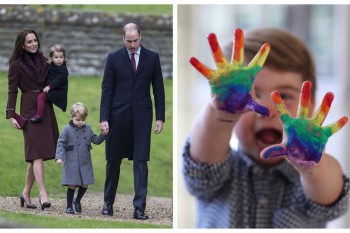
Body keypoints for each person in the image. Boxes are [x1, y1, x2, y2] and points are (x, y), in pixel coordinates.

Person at [182, 27, 350, 228]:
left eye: (285, 96)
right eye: (250, 94)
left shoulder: (313, 179)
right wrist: (221, 114)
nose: (268, 110)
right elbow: (202, 161)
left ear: (311, 105)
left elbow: (330, 198)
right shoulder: (219, 171)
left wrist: (313, 168)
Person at [99, 23, 165, 220]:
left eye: (135, 40)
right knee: (113, 161)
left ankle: (139, 208)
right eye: (129, 41)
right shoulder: (113, 58)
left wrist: (160, 117)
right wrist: (104, 119)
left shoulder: (153, 58)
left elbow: (159, 89)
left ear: (140, 37)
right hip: (117, 117)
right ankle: (107, 203)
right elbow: (107, 90)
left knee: (141, 162)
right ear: (123, 39)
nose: (133, 44)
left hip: (142, 118)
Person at [6, 28, 59, 210]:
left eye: (35, 40)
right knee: (36, 152)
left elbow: (58, 79)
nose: (33, 44)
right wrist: (11, 114)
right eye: (29, 42)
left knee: (38, 154)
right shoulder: (16, 65)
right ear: (22, 44)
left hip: (45, 109)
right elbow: (12, 91)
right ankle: (43, 193)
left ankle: (26, 193)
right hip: (28, 110)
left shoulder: (45, 61)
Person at [55, 102, 106, 214]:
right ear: (72, 117)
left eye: (83, 119)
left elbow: (96, 140)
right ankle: (69, 206)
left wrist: (103, 135)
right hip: (71, 161)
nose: (81, 122)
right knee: (72, 184)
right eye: (78, 120)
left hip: (85, 162)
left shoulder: (88, 129)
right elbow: (61, 143)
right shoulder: (67, 129)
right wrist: (59, 157)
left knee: (85, 184)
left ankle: (77, 200)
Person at [30, 44, 69, 123]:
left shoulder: (64, 71)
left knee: (41, 97)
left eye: (61, 57)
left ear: (64, 57)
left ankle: (39, 116)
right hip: (51, 88)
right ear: (51, 58)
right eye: (56, 57)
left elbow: (57, 80)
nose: (59, 60)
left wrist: (49, 86)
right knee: (38, 93)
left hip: (58, 91)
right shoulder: (51, 65)